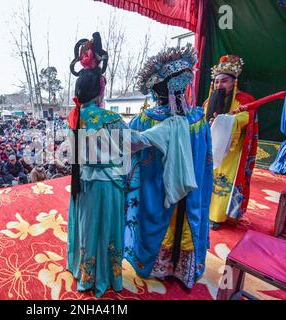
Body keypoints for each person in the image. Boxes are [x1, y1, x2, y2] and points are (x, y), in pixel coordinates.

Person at [66, 33, 194, 298]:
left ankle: (84, 270)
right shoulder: (110, 119)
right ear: (100, 90)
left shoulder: (74, 117)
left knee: (87, 227)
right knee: (105, 230)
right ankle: (104, 275)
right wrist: (167, 129)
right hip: (106, 187)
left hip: (83, 186)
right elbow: (135, 142)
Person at [124, 44, 213, 290]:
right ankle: (183, 267)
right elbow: (207, 163)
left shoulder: (145, 120)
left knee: (157, 216)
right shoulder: (198, 120)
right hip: (191, 190)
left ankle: (156, 265)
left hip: (157, 191)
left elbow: (130, 158)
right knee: (188, 217)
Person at [203, 55, 256, 230]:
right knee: (207, 178)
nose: (219, 86)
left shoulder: (245, 100)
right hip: (209, 148)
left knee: (223, 181)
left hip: (232, 151)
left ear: (234, 82)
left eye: (224, 82)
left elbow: (246, 116)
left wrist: (225, 121)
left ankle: (218, 215)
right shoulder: (208, 101)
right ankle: (204, 210)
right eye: (216, 82)